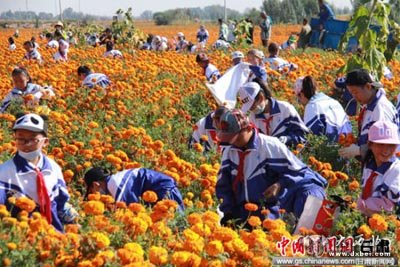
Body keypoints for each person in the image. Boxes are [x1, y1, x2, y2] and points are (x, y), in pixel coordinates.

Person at [215, 109, 327, 225]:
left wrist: (279, 185)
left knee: (310, 194)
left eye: (237, 138)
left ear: (248, 129)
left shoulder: (271, 146)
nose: (233, 142)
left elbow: (298, 172)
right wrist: (228, 212)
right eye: (229, 138)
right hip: (242, 212)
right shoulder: (229, 151)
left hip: (271, 210)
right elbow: (223, 186)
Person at [0, 114, 77, 232]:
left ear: (45, 141)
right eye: (20, 138)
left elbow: (60, 203)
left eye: (32, 139)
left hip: (54, 234)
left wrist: (77, 222)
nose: (26, 144)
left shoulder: (53, 168)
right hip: (21, 237)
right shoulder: (5, 172)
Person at [338, 69, 399, 161]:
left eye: (355, 92)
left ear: (368, 86)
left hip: (385, 167)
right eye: (351, 93)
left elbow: (385, 145)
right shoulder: (370, 106)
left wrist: (359, 150)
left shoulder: (380, 109)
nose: (354, 97)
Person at [239, 80, 309, 147]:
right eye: (249, 108)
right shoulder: (253, 118)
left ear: (261, 97)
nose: (252, 110)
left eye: (252, 106)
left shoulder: (285, 109)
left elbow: (303, 135)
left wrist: (288, 139)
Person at [84, 167, 184, 211]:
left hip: (167, 194)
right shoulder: (115, 181)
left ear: (95, 185)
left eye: (91, 192)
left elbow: (125, 211)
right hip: (163, 193)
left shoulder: (117, 184)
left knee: (177, 226)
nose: (94, 195)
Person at [357, 121, 400, 216]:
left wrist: (361, 206)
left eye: (391, 145)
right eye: (381, 144)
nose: (386, 150)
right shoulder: (369, 165)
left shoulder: (396, 170)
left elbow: (390, 208)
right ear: (370, 144)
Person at [294, 76, 352, 142]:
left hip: (331, 147)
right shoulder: (333, 101)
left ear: (301, 94)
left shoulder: (312, 106)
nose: (300, 103)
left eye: (298, 99)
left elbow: (311, 137)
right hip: (348, 143)